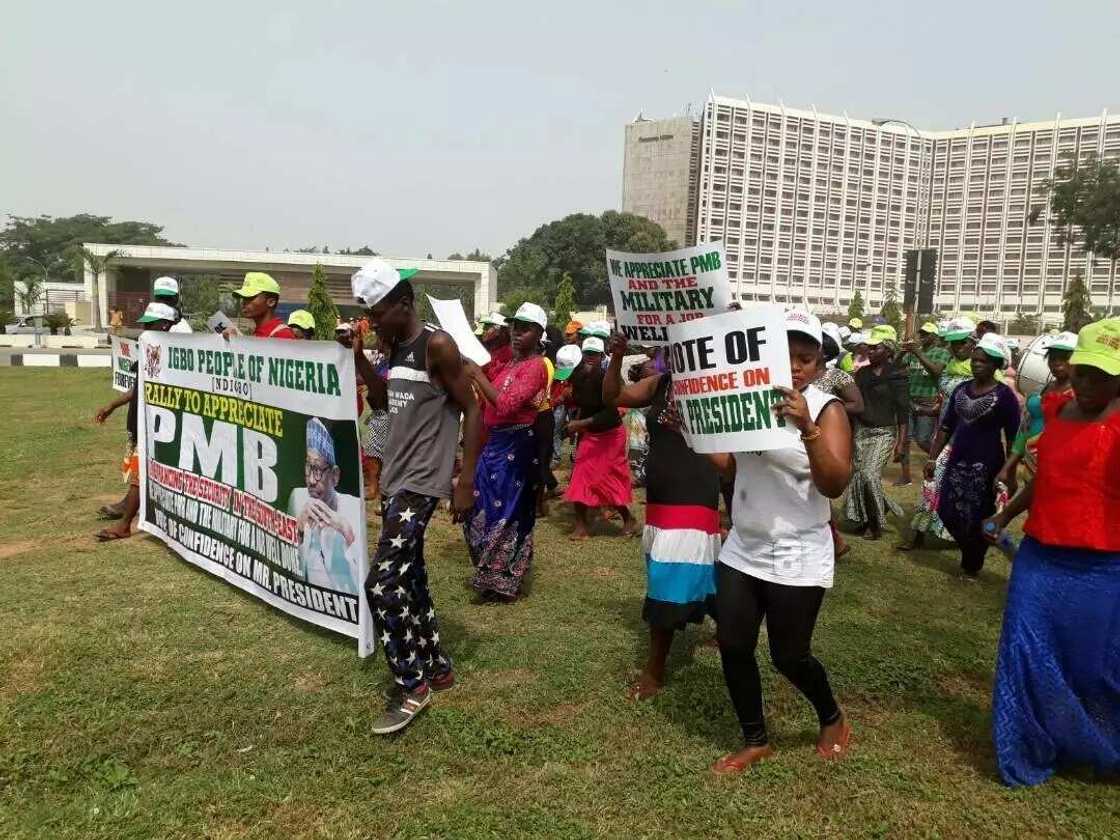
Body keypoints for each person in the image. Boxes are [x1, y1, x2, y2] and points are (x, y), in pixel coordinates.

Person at [710, 310, 853, 774]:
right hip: (743, 545)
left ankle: (831, 715)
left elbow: (833, 484)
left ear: (818, 365)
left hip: (797, 550)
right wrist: (696, 430)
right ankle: (755, 739)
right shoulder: (748, 398)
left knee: (789, 656)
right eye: (785, 355)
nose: (795, 367)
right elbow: (733, 468)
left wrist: (806, 427)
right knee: (733, 644)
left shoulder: (828, 409)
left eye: (806, 359)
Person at [983, 317, 1120, 787]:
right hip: (1041, 557)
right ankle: (1024, 744)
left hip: (1103, 566)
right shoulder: (1058, 411)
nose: (1087, 384)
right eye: (1084, 372)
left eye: (1103, 376)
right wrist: (1005, 518)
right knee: (1025, 652)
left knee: (1094, 665)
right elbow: (1046, 480)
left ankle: (1098, 743)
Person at [350, 258, 482, 734]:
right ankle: (438, 667)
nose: (373, 318)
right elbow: (384, 402)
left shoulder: (436, 345)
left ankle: (413, 684)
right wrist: (363, 356)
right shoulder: (394, 346)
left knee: (381, 584)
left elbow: (472, 407)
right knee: (410, 578)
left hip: (422, 482)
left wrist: (464, 482)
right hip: (395, 478)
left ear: (403, 303)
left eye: (378, 310)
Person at [602, 333, 721, 700]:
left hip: (694, 492)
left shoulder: (719, 386)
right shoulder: (661, 383)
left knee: (667, 579)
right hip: (661, 499)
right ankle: (727, 622)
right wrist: (618, 357)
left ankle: (655, 670)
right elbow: (614, 397)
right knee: (683, 569)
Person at [462, 303, 550, 601]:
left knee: (509, 511)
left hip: (517, 446)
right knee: (481, 505)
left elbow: (507, 404)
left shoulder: (537, 366)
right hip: (494, 445)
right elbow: (489, 404)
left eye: (525, 329)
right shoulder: (508, 365)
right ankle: (488, 574)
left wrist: (478, 375)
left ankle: (505, 579)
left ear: (538, 333)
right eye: (515, 327)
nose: (517, 333)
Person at [929, 333, 1020, 579]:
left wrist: (1009, 472)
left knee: (978, 515)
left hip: (987, 465)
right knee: (946, 510)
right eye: (975, 360)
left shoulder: (1005, 397)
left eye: (984, 361)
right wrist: (932, 457)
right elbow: (946, 426)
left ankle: (971, 565)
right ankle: (974, 548)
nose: (977, 364)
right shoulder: (960, 390)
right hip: (956, 461)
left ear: (995, 365)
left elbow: (1013, 438)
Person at [92, 303, 176, 541]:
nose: (145, 329)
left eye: (150, 324)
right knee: (142, 474)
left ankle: (125, 523)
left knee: (142, 475)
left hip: (158, 425)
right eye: (144, 324)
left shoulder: (171, 353)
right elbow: (137, 389)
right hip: (142, 421)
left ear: (165, 325)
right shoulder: (150, 350)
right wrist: (112, 405)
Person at [898, 319, 977, 550]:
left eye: (961, 343)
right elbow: (944, 405)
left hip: (968, 441)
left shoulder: (979, 369)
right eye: (953, 344)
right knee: (930, 483)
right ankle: (918, 535)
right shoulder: (950, 366)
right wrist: (925, 410)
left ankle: (964, 539)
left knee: (964, 493)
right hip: (945, 437)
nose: (956, 348)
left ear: (972, 343)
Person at [564, 336, 636, 539]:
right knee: (580, 477)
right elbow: (582, 404)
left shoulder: (607, 379)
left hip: (610, 434)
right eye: (587, 353)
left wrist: (580, 424)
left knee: (606, 479)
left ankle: (628, 518)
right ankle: (581, 525)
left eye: (594, 354)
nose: (590, 358)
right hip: (590, 435)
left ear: (601, 356)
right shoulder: (577, 375)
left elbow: (609, 413)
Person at [843, 325, 908, 540]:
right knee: (860, 477)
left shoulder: (897, 375)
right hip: (861, 431)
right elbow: (854, 404)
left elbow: (903, 411)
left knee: (870, 475)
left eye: (875, 348)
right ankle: (867, 516)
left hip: (884, 433)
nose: (869, 351)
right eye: (868, 348)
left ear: (888, 351)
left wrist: (901, 443)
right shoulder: (861, 374)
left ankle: (875, 525)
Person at [288, 418, 363, 594]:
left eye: (318, 471)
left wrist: (348, 534)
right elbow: (290, 575)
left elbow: (364, 584)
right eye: (308, 468)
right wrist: (298, 533)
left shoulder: (354, 508)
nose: (311, 481)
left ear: (335, 476)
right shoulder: (297, 498)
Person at [996, 331, 1076, 495]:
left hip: (1057, 472)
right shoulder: (1043, 389)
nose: (1057, 363)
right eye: (1053, 358)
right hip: (1031, 466)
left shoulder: (1080, 396)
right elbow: (1025, 430)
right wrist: (1008, 466)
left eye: (1064, 358)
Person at [814, 322, 864, 558]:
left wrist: (824, 407)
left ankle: (835, 542)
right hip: (801, 438)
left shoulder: (836, 375)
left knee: (822, 492)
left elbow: (858, 404)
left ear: (823, 351)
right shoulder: (794, 374)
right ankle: (836, 542)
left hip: (827, 437)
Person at [896, 322, 951, 486]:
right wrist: (902, 351)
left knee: (922, 439)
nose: (922, 337)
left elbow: (936, 371)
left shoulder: (941, 353)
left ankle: (941, 461)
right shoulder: (912, 354)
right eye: (921, 334)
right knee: (905, 440)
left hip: (928, 401)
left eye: (926, 334)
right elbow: (895, 367)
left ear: (934, 337)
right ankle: (905, 476)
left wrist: (918, 352)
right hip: (910, 399)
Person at [230, 273, 296, 339]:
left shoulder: (282, 334)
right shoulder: (258, 332)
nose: (244, 302)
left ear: (271, 302)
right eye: (243, 297)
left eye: (250, 297)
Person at [479, 312, 511, 380]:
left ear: (499, 330)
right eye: (484, 326)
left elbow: (492, 377)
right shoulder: (490, 349)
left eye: (487, 326)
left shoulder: (507, 354)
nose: (483, 330)